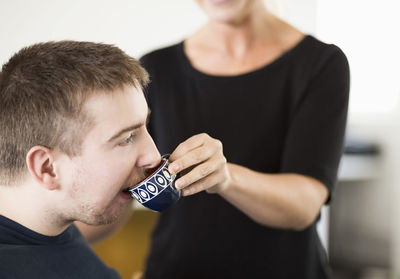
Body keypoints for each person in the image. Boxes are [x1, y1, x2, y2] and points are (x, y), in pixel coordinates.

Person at [139, 0, 350, 278]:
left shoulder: (320, 64)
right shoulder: (155, 68)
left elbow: (304, 204)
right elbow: (125, 181)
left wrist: (225, 177)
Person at [0, 41, 161, 278]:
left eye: (145, 126)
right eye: (126, 138)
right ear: (47, 168)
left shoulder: (56, 228)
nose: (154, 156)